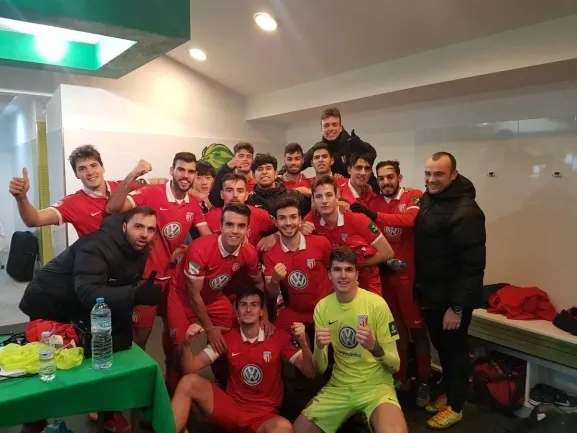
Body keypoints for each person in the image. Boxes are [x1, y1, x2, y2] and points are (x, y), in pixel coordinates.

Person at [19, 206, 162, 433]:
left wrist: (126, 318)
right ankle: (34, 422)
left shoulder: (140, 248)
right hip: (49, 302)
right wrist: (135, 295)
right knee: (47, 367)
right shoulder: (95, 246)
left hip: (82, 304)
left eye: (151, 229)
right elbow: (88, 292)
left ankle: (107, 411)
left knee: (110, 349)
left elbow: (117, 287)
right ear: (124, 227)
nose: (145, 234)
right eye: (138, 226)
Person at [293, 247, 407, 433]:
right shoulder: (323, 307)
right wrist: (319, 347)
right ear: (329, 274)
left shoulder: (376, 304)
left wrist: (374, 347)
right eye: (337, 270)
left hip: (376, 386)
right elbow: (320, 369)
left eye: (349, 269)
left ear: (357, 274)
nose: (343, 275)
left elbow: (395, 366)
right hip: (340, 385)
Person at [171, 287, 314, 433]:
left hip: (264, 415)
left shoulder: (278, 337)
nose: (248, 310)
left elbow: (310, 372)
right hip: (232, 409)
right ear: (237, 311)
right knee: (188, 382)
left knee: (284, 427)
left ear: (261, 312)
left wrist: (303, 343)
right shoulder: (227, 338)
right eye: (243, 305)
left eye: (254, 305)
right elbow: (190, 368)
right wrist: (186, 345)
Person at [105, 153, 211, 349]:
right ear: (171, 171)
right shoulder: (151, 193)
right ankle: (139, 369)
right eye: (180, 169)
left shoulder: (193, 204)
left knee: (175, 335)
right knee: (140, 337)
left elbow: (208, 240)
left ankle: (172, 370)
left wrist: (190, 250)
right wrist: (133, 174)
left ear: (195, 175)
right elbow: (113, 208)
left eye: (190, 171)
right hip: (147, 279)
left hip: (174, 281)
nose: (185, 175)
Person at [414, 152, 486, 429]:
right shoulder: (431, 198)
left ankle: (456, 407)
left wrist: (457, 307)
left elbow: (473, 265)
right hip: (432, 294)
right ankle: (452, 393)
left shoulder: (466, 211)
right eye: (428, 173)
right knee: (443, 349)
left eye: (439, 174)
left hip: (451, 301)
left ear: (453, 175)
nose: (431, 179)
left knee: (455, 351)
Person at [357, 160, 432, 407]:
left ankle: (425, 382)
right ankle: (401, 378)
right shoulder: (375, 202)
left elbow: (409, 220)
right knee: (395, 331)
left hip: (410, 279)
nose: (386, 182)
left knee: (418, 333)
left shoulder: (413, 195)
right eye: (381, 178)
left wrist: (374, 216)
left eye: (390, 177)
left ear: (399, 177)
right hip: (386, 278)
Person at [167, 203, 270, 360]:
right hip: (183, 296)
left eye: (241, 226)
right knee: (180, 347)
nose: (235, 231)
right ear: (220, 227)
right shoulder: (199, 250)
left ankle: (221, 372)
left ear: (247, 231)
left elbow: (258, 283)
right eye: (229, 225)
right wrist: (209, 329)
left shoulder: (249, 252)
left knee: (232, 331)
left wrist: (265, 315)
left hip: (213, 295)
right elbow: (194, 295)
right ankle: (176, 375)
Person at [8, 144, 147, 237]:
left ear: (102, 167)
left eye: (94, 165)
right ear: (76, 174)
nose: (90, 172)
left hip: (133, 264)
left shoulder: (123, 187)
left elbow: (155, 184)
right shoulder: (72, 203)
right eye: (82, 168)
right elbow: (34, 220)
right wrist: (21, 198)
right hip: (99, 266)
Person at [304, 176, 394, 295]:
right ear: (313, 199)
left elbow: (387, 253)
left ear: (337, 195)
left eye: (329, 195)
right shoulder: (310, 221)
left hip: (367, 283)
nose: (324, 201)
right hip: (335, 285)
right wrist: (300, 231)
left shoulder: (358, 219)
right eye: (319, 196)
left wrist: (351, 265)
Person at [263, 196, 332, 335]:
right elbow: (272, 294)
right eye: (282, 218)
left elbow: (333, 271)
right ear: (276, 222)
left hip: (327, 306)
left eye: (293, 217)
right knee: (275, 337)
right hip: (295, 312)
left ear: (300, 220)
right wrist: (275, 279)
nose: (288, 223)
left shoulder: (321, 243)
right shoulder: (270, 254)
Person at [302, 107, 379, 192]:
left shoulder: (352, 143)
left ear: (341, 128)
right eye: (326, 125)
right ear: (321, 129)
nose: (330, 129)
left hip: (367, 190)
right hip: (338, 192)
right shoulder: (318, 149)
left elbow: (372, 154)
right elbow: (298, 162)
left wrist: (360, 145)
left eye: (334, 125)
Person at [204, 173, 277, 251]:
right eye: (229, 190)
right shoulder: (209, 217)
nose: (235, 195)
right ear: (222, 194)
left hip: (251, 257)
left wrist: (275, 236)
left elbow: (283, 226)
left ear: (246, 195)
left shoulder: (260, 215)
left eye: (240, 191)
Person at [248, 153, 311, 217]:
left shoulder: (294, 196)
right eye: (260, 169)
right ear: (253, 175)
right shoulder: (249, 201)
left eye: (268, 168)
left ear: (275, 174)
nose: (264, 172)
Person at [209, 142, 257, 207]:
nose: (245, 159)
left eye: (248, 156)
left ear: (252, 161)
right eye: (241, 156)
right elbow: (214, 199)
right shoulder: (226, 182)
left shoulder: (257, 185)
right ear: (233, 159)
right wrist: (226, 167)